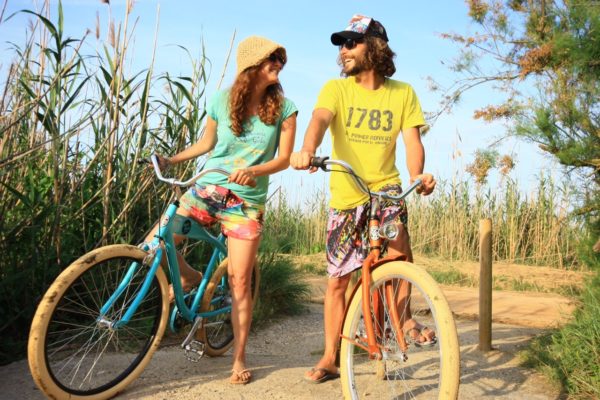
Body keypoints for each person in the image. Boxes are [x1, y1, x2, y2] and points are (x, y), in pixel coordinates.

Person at [290, 15, 436, 384]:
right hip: (346, 194)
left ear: (375, 46)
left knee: (399, 251)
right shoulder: (336, 90)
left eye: (351, 43)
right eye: (341, 44)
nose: (344, 50)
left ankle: (401, 320)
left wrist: (417, 176)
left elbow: (412, 142)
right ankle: (331, 357)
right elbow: (319, 120)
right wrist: (307, 150)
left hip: (385, 188)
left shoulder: (403, 93)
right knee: (338, 281)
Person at [146, 35, 297, 385]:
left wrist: (255, 171)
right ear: (251, 65)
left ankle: (239, 357)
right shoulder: (220, 101)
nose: (278, 65)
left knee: (240, 281)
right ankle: (188, 277)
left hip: (246, 201)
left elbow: (285, 159)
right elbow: (207, 143)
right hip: (208, 188)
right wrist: (171, 159)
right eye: (271, 59)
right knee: (157, 241)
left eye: (280, 60)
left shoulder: (285, 109)